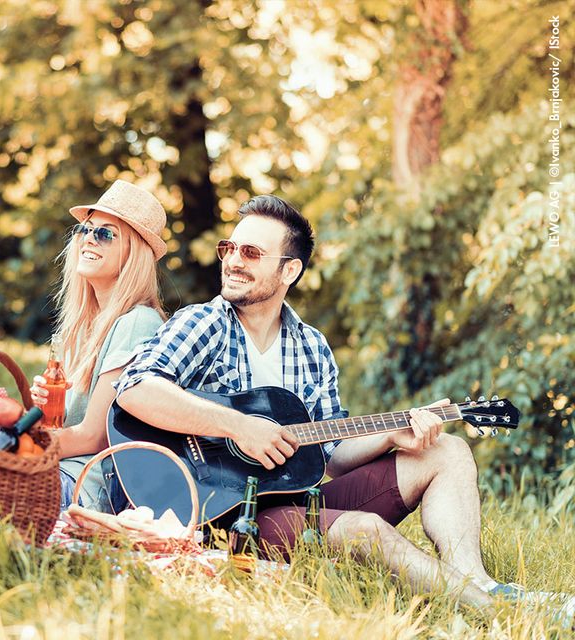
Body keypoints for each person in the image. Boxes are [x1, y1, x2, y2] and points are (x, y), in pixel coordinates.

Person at [114, 195, 572, 614]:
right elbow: (134, 389)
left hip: (294, 501)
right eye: (228, 248)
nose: (233, 261)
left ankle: (478, 583)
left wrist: (393, 435)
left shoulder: (311, 347)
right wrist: (238, 426)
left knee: (447, 450)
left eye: (251, 253)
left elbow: (331, 455)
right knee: (363, 531)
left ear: (289, 270)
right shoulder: (203, 322)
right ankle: (504, 612)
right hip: (220, 513)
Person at [29, 180, 168, 511]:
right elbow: (62, 428)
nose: (89, 239)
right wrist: (39, 417)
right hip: (55, 469)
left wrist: (19, 445)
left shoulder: (138, 322)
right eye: (85, 230)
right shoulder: (81, 325)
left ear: (133, 253)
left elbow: (94, 436)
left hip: (84, 488)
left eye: (106, 234)